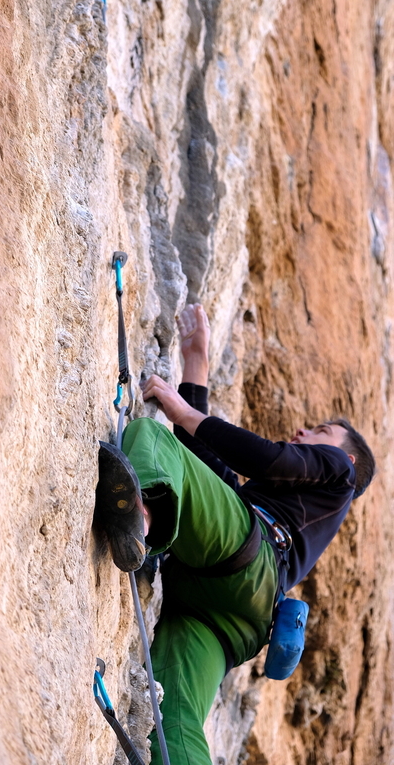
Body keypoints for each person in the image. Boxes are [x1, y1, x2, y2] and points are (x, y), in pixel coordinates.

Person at [96, 304, 376, 765]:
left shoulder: (341, 473)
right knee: (175, 716)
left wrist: (183, 413)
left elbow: (270, 459)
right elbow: (210, 475)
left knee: (150, 437)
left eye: (323, 432)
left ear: (343, 457)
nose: (305, 430)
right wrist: (197, 363)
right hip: (235, 622)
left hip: (247, 561)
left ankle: (141, 520)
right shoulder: (287, 506)